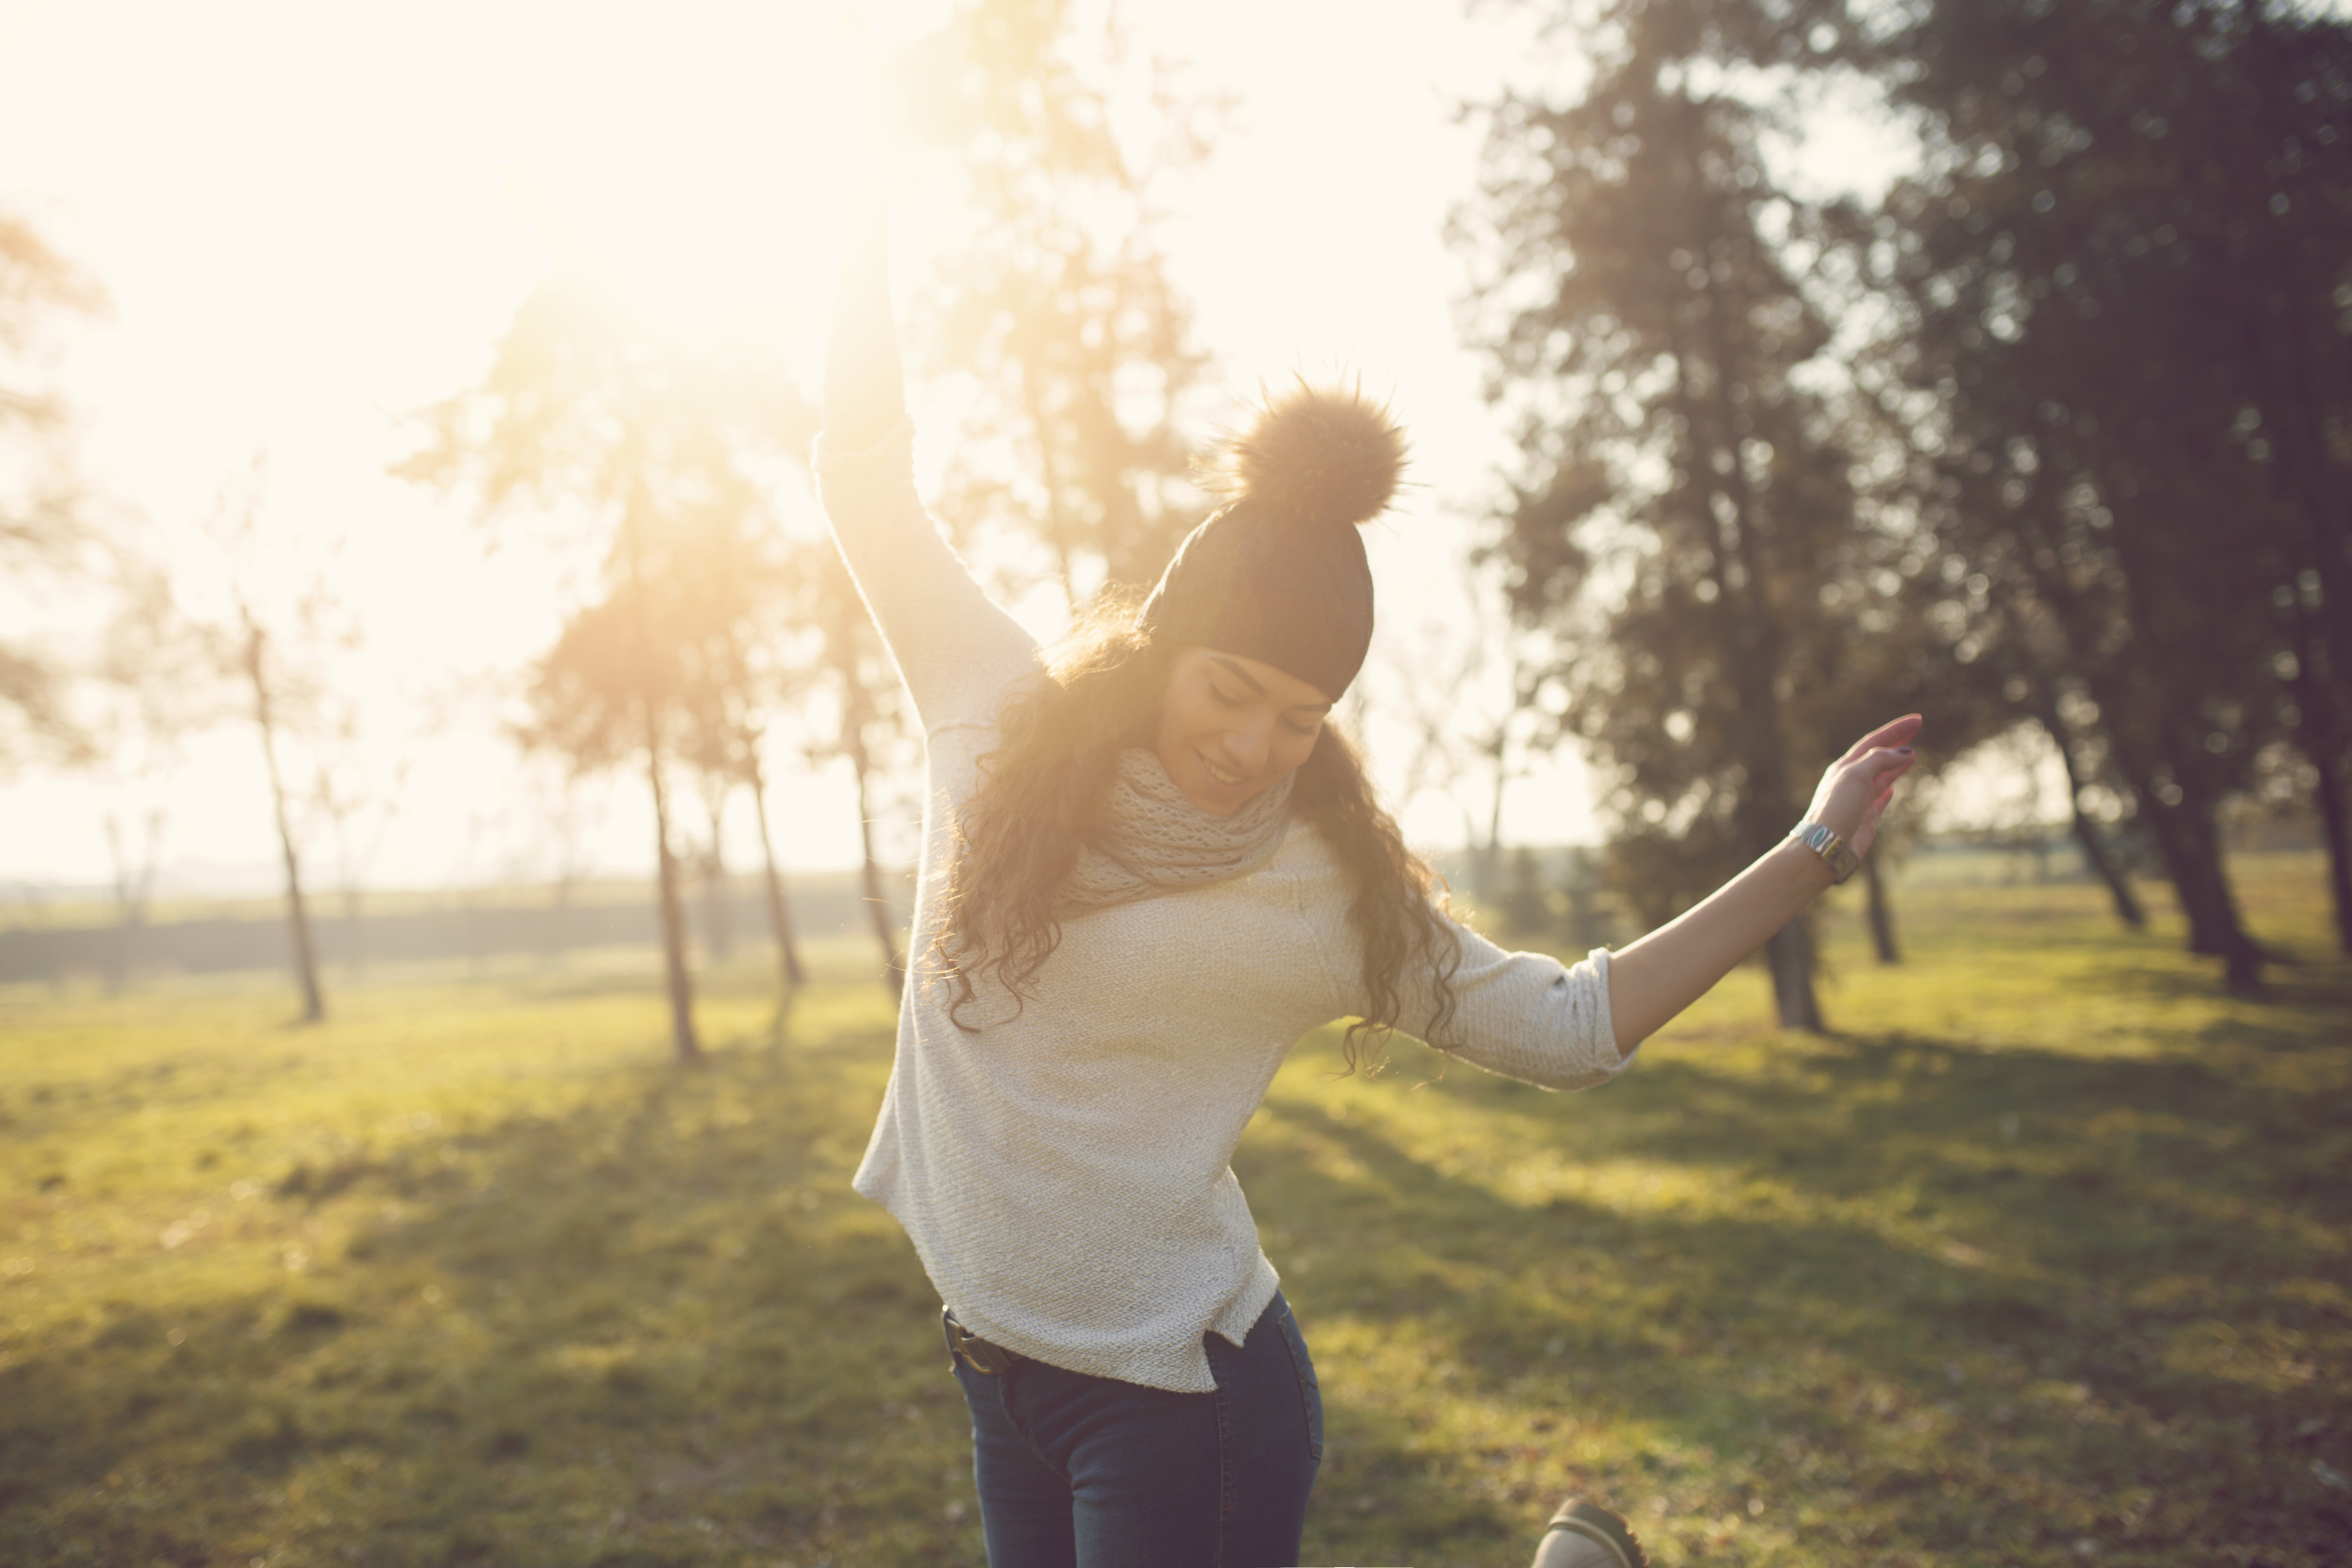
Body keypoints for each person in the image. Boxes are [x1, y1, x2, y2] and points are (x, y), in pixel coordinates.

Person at [813, 166, 1919, 1568]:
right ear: (1163, 646)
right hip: (996, 1375)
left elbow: (1572, 1029)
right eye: (1230, 690)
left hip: (1179, 1405)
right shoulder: (994, 716)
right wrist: (860, 196)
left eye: (1300, 718)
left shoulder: (1318, 891)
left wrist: (1814, 849)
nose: (1253, 744)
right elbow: (862, 475)